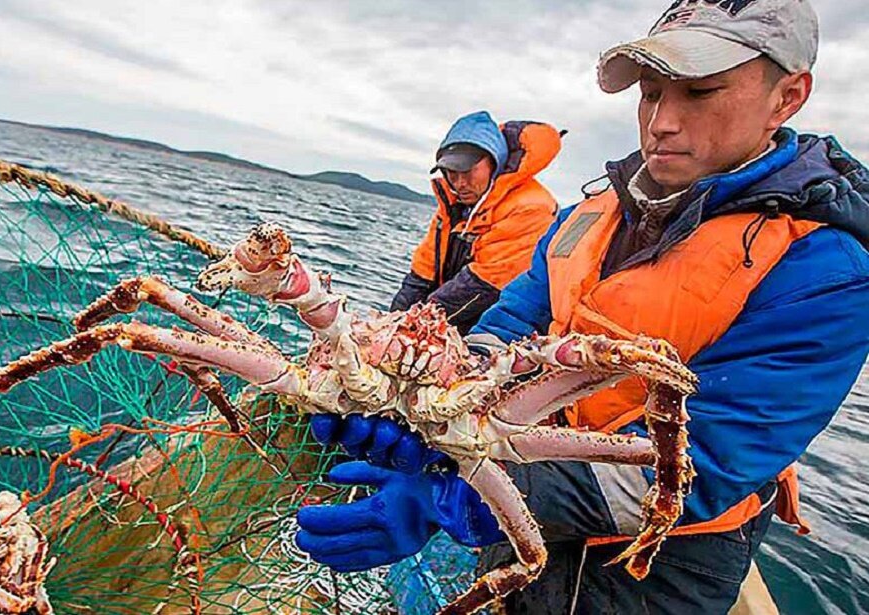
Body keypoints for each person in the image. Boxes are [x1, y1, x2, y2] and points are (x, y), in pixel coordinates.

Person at [296, 0, 869, 612]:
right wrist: (429, 418)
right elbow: (511, 324)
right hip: (510, 481)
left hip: (654, 567)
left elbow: (707, 458)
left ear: (787, 96)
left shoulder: (829, 268)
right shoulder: (585, 217)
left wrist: (459, 497)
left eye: (699, 93)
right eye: (650, 93)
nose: (661, 123)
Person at [390, 110, 562, 334]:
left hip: (504, 331)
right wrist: (391, 323)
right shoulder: (453, 206)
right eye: (451, 173)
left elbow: (484, 284)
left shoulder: (531, 207)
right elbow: (421, 274)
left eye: (468, 172)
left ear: (493, 162)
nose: (460, 183)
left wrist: (412, 328)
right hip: (451, 321)